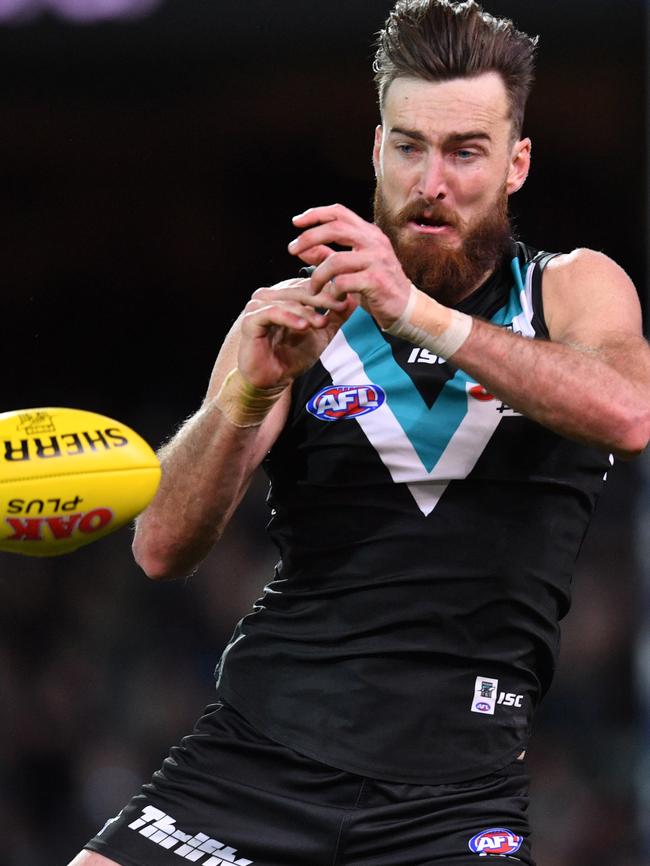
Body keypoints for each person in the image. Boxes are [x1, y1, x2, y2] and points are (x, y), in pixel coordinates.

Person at [69, 1, 650, 864]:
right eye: (410, 147)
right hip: (252, 762)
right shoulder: (293, 319)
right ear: (378, 149)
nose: (432, 182)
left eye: (464, 152)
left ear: (517, 164)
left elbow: (627, 413)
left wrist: (411, 312)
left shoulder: (569, 292)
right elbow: (160, 546)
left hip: (455, 795)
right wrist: (247, 396)